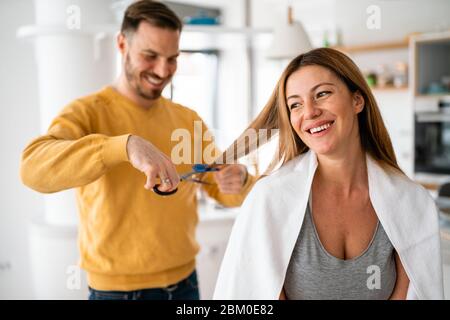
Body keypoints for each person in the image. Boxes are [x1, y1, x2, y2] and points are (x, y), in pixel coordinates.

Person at [20, 0, 255, 300]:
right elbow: (32, 169)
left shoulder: (187, 119)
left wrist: (242, 178)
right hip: (116, 292)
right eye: (150, 56)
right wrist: (124, 146)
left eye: (172, 58)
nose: (162, 70)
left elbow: (223, 189)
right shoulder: (88, 113)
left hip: (186, 284)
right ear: (121, 44)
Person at [213, 48, 444, 300]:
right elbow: (257, 293)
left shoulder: (409, 201)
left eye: (322, 94)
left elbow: (412, 293)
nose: (309, 112)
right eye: (296, 104)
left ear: (357, 100)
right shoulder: (270, 198)